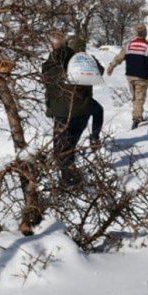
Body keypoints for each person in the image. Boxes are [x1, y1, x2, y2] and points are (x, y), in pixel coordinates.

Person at [41, 31, 91, 187]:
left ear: (52, 45)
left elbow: (48, 80)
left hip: (62, 111)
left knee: (62, 147)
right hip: (82, 109)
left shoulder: (49, 64)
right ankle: (71, 176)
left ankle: (68, 179)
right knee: (71, 145)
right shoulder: (79, 59)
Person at [106, 22, 148, 129]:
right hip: (142, 76)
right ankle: (137, 118)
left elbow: (119, 58)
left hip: (130, 76)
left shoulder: (128, 45)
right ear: (145, 33)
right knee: (140, 98)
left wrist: (111, 67)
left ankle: (137, 115)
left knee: (134, 97)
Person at [70, 36, 105, 150]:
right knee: (98, 111)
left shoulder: (68, 59)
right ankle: (94, 137)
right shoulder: (88, 59)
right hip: (85, 99)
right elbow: (100, 72)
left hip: (69, 98)